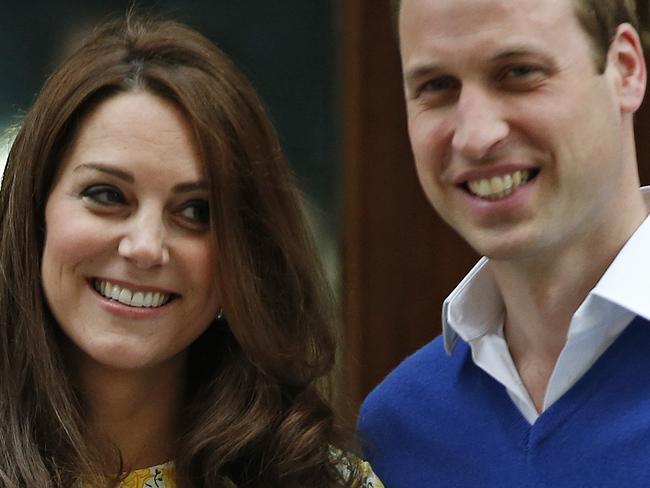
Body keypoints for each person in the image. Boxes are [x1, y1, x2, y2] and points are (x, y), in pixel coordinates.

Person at [0, 15, 383, 488]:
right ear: (36, 212)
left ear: (244, 254)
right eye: (107, 195)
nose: (144, 247)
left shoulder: (318, 480)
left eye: (196, 211)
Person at [358, 0, 650, 485]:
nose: (475, 136)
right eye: (437, 86)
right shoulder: (400, 429)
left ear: (625, 69)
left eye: (518, 72)